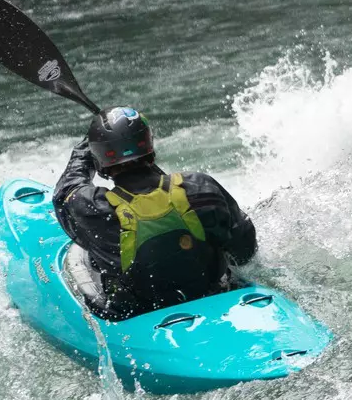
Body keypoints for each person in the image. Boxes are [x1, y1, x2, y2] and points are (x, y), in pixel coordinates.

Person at [53, 106, 259, 321]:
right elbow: (245, 249)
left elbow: (66, 191)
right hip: (215, 297)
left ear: (100, 157)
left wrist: (85, 149)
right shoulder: (200, 187)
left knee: (94, 258)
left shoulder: (95, 209)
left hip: (140, 315)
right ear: (149, 145)